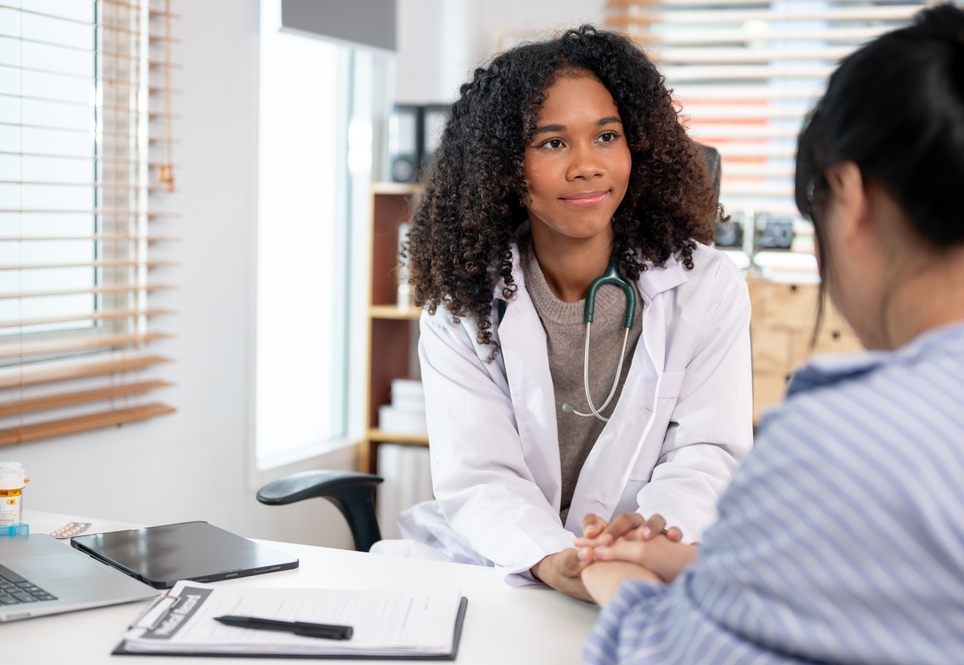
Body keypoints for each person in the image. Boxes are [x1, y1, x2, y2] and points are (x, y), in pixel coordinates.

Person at [577, 4, 964, 662]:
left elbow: (674, 649)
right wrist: (699, 562)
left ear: (849, 195)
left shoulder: (847, 437)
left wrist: (618, 578)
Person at [370, 26, 753, 601]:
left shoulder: (704, 287)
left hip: (646, 556)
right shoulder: (463, 305)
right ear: (503, 166)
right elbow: (482, 477)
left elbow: (705, 452)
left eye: (606, 136)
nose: (587, 166)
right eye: (552, 143)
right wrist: (554, 560)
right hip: (507, 563)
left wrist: (646, 537)